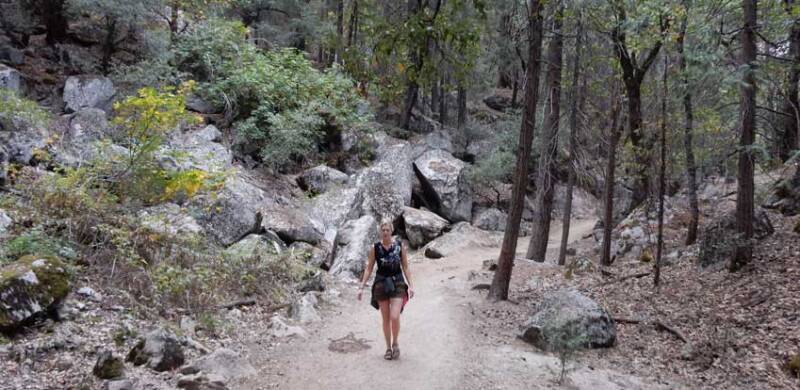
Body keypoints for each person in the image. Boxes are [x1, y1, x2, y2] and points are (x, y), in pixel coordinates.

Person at [357, 219, 415, 360]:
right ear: (380, 231)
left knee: (394, 316)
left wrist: (411, 285)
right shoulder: (375, 248)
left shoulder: (400, 246)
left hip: (397, 282)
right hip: (381, 283)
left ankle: (395, 343)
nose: (385, 232)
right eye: (382, 230)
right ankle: (388, 348)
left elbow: (406, 267)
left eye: (387, 230)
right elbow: (369, 267)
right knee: (386, 318)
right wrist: (361, 286)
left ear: (391, 231)